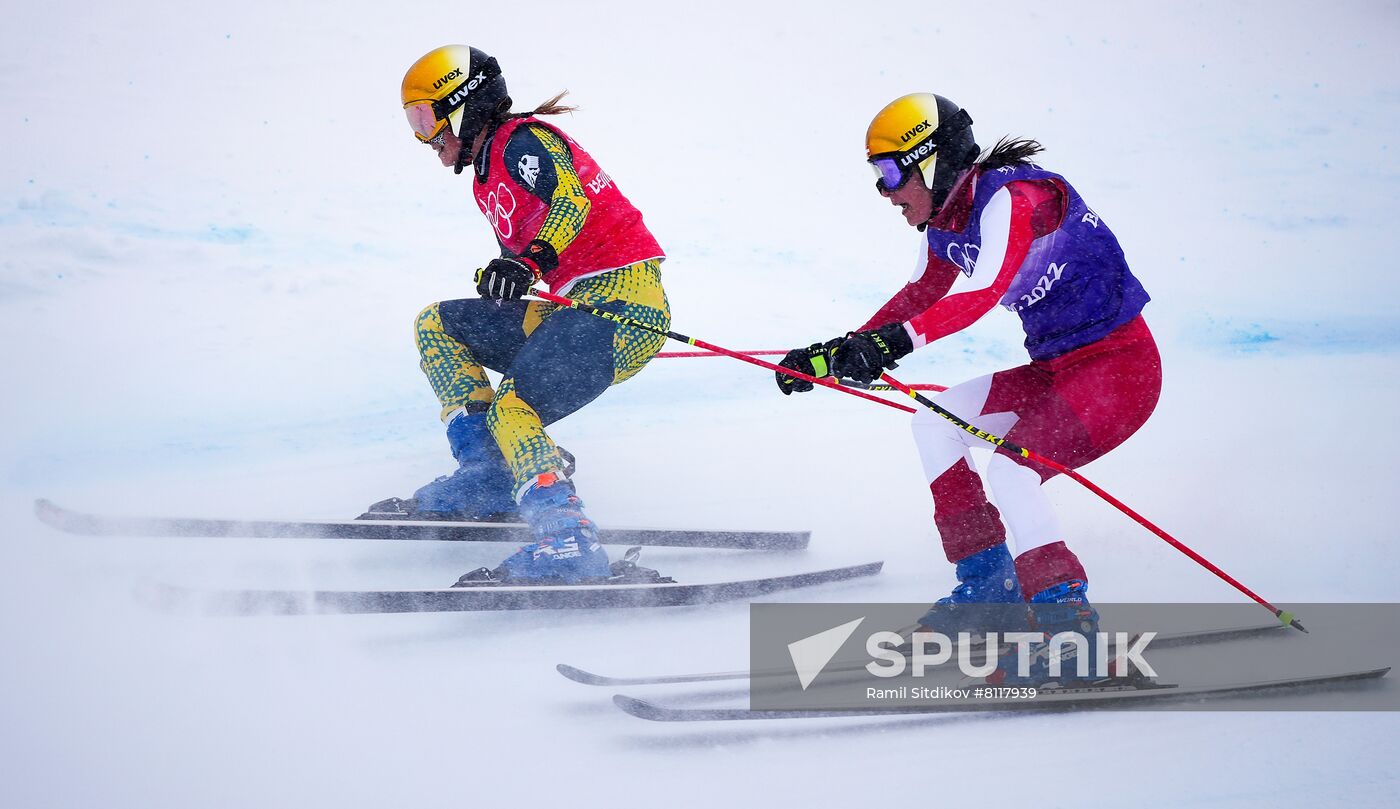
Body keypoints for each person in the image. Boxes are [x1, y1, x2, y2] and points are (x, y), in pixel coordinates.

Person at [775, 93, 1161, 679]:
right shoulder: (949, 221)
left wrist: (888, 344)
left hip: (1119, 370)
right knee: (934, 421)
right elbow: (922, 296)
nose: (884, 192)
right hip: (1057, 371)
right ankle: (990, 589)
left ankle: (1068, 625)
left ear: (929, 160)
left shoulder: (1013, 198)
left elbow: (977, 294)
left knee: (1011, 467)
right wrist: (836, 353)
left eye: (889, 173)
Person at [365, 44, 670, 585]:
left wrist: (528, 262)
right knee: (438, 324)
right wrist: (507, 273)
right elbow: (529, 248)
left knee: (515, 409)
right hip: (574, 306)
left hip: (622, 306)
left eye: (427, 118)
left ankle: (567, 541)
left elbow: (570, 202)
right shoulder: (487, 172)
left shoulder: (522, 141)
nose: (425, 136)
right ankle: (488, 476)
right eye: (415, 122)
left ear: (464, 104)